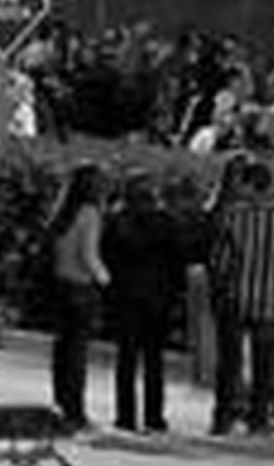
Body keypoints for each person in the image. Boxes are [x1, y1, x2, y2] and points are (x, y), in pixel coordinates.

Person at [208, 157, 274, 435]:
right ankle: (259, 419)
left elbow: (220, 261)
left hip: (236, 296)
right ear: (269, 185)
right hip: (268, 299)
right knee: (264, 363)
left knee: (230, 363)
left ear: (247, 184)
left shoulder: (233, 216)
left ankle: (223, 418)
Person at [102, 171, 179, 433]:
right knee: (154, 361)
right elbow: (175, 260)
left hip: (126, 297)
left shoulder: (115, 221)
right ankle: (154, 417)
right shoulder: (165, 221)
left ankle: (126, 417)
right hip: (157, 297)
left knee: (126, 360)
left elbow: (107, 257)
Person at [46, 162, 109, 431]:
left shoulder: (61, 213)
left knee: (62, 352)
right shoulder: (90, 214)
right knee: (77, 355)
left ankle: (61, 405)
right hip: (82, 287)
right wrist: (105, 278)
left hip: (60, 285)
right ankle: (76, 412)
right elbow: (89, 254)